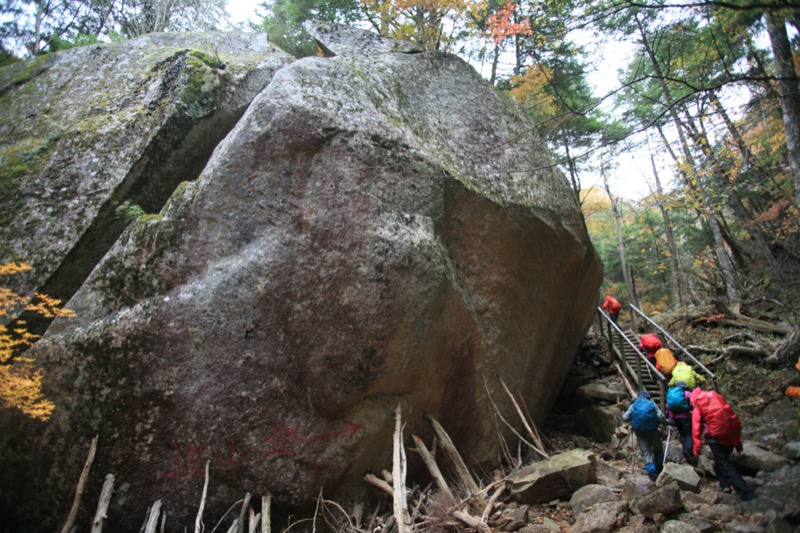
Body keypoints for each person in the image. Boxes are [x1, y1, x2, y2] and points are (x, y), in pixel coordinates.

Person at [691, 388, 755, 501]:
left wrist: (696, 448)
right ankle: (725, 486)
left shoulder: (698, 405)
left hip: (715, 438)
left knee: (725, 464)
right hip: (729, 435)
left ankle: (746, 492)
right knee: (719, 462)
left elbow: (696, 428)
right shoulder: (719, 399)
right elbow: (733, 420)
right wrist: (738, 443)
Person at [622, 391, 668, 481]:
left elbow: (624, 417)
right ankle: (660, 468)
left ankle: (652, 473)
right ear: (648, 397)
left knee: (646, 452)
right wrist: (667, 422)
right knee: (657, 449)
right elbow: (661, 416)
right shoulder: (651, 404)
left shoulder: (633, 405)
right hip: (653, 431)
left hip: (640, 433)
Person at [665, 381, 694, 464]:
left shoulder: (671, 393)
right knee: (688, 433)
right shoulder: (686, 393)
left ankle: (684, 449)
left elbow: (667, 406)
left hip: (675, 417)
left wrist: (668, 415)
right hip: (685, 416)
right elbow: (694, 400)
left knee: (682, 433)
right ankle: (688, 450)